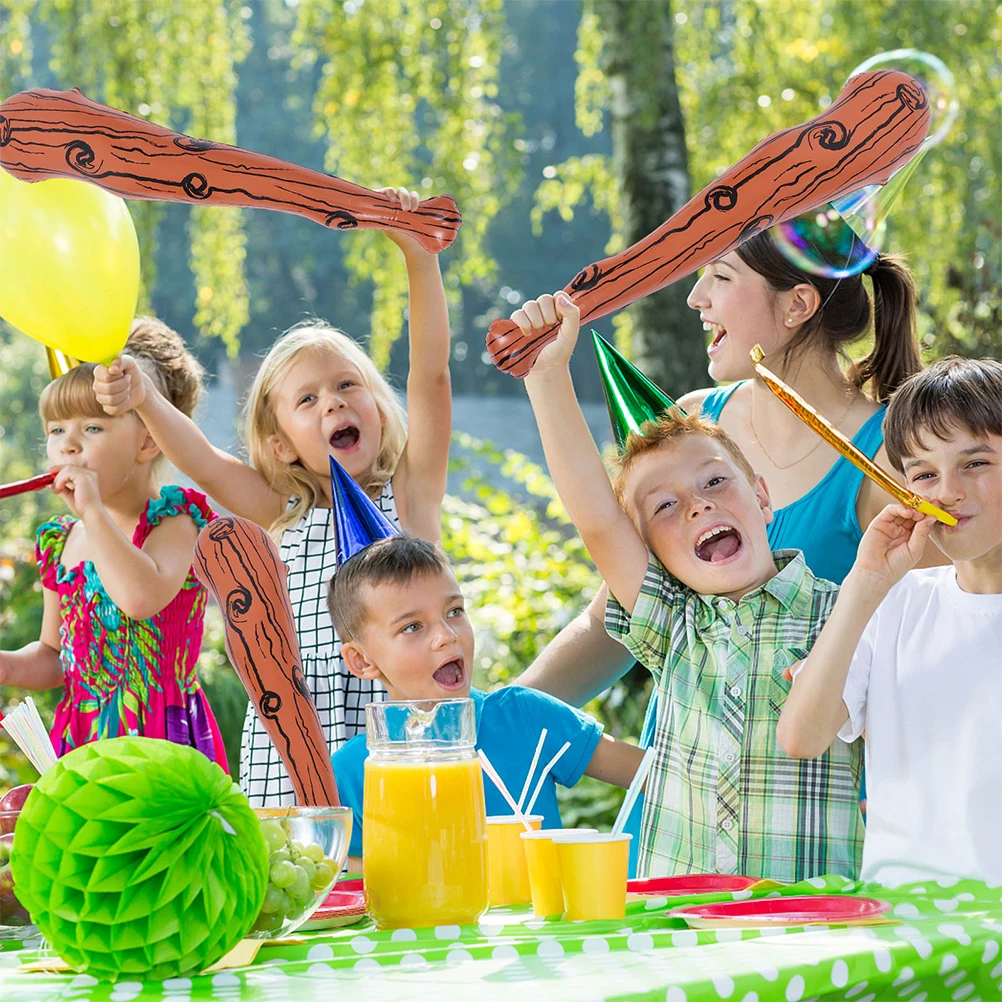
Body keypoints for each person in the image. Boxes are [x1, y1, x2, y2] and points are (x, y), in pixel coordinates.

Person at [518, 234, 940, 849]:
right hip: (677, 838)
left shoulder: (888, 468)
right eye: (667, 505)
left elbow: (927, 652)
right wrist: (495, 715)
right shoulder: (693, 424)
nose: (695, 298)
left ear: (797, 304)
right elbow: (607, 574)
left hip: (806, 852)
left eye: (719, 275)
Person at [93, 187, 452, 805]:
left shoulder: (410, 495)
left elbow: (432, 376)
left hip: (396, 743)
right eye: (307, 400)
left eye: (347, 385)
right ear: (282, 444)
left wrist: (419, 259)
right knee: (300, 891)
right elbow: (203, 462)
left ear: (376, 405)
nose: (333, 401)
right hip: (291, 752)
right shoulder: (280, 513)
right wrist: (145, 399)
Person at [778, 357, 1002, 885]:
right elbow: (801, 736)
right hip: (905, 928)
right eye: (923, 474)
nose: (948, 490)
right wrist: (865, 582)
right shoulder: (896, 605)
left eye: (975, 463)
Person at [327, 534, 644, 869]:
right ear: (362, 661)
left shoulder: (526, 716)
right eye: (413, 626)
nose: (447, 635)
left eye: (454, 611)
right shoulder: (352, 769)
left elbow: (659, 778)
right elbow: (369, 895)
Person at [0, 318, 228, 768]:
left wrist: (93, 513)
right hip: (83, 746)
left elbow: (139, 598)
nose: (68, 445)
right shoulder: (60, 541)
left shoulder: (175, 518)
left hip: (162, 745)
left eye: (92, 429)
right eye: (56, 429)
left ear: (147, 441)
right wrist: (6, 666)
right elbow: (54, 656)